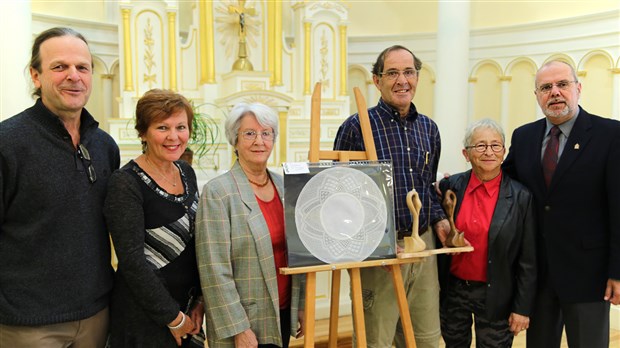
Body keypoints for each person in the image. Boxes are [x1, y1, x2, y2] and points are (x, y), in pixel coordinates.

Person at [0, 27, 119, 347]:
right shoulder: (7, 143)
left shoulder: (105, 145)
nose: (74, 76)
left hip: (96, 314)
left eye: (82, 67)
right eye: (59, 67)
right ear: (35, 76)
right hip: (28, 324)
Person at [333, 45, 450, 348]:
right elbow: (340, 200)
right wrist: (376, 247)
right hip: (379, 257)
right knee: (376, 342)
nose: (402, 80)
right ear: (377, 80)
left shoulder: (429, 129)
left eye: (409, 72)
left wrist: (438, 220)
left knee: (425, 340)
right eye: (393, 73)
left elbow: (427, 186)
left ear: (418, 77)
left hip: (422, 248)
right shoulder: (356, 127)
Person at [503, 60, 620, 347]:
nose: (554, 92)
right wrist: (454, 184)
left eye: (562, 84)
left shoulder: (610, 135)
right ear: (537, 96)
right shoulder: (524, 136)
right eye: (546, 87)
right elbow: (504, 184)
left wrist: (618, 271)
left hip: (588, 275)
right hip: (537, 276)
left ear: (578, 89)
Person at [196, 102, 304, 348]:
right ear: (235, 140)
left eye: (266, 133)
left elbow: (300, 251)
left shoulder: (285, 186)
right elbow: (214, 270)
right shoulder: (218, 192)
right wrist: (239, 328)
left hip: (283, 310)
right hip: (244, 321)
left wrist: (301, 305)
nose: (259, 141)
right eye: (250, 133)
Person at [103, 89, 204, 347]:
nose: (174, 136)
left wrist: (199, 302)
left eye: (181, 127)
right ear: (142, 132)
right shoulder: (126, 183)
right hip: (145, 317)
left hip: (188, 308)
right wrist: (173, 318)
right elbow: (133, 262)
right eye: (162, 127)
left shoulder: (186, 171)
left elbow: (197, 242)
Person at [437, 119, 536, 347]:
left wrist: (522, 308)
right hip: (453, 292)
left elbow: (528, 260)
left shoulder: (521, 197)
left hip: (497, 294)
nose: (488, 152)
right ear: (466, 153)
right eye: (480, 146)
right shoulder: (449, 187)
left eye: (495, 145)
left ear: (504, 152)